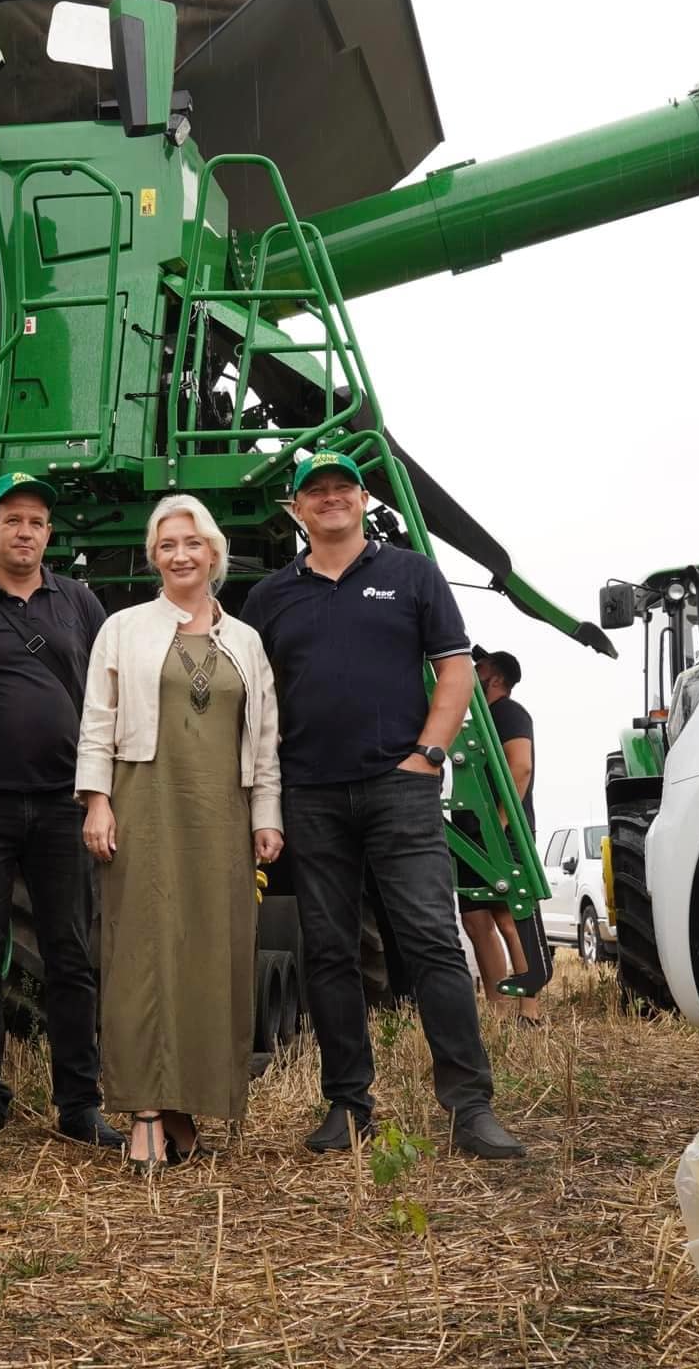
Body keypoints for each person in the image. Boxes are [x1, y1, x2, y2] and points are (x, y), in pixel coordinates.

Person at [239, 450, 527, 1161]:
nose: (330, 498)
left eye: (343, 488)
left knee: (430, 938)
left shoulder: (411, 574)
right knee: (330, 949)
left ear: (364, 500)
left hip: (399, 785)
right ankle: (346, 1105)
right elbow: (255, 695)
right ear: (297, 510)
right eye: (316, 492)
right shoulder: (271, 597)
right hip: (310, 790)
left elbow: (454, 667)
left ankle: (470, 1105)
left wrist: (427, 753)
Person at [75, 495, 283, 1171]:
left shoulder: (246, 641)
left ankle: (184, 1110)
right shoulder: (124, 629)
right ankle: (141, 1112)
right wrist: (97, 803)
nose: (181, 553)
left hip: (222, 814)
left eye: (192, 541)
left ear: (213, 552)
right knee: (142, 956)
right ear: (153, 555)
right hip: (145, 802)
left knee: (208, 958)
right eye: (167, 544)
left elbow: (266, 742)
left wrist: (266, 818)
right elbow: (97, 722)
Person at [0, 470, 122, 1149]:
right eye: (11, 519)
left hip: (62, 806)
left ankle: (80, 1103)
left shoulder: (79, 603)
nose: (25, 531)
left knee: (72, 956)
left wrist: (103, 793)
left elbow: (108, 697)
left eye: (37, 522)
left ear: (49, 535)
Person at [458, 647, 549, 1020]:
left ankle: (529, 1011)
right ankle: (500, 1009)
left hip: (502, 831)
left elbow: (520, 768)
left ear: (495, 678)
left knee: (511, 917)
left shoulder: (510, 713)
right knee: (477, 920)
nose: (473, 671)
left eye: (479, 667)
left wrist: (498, 825)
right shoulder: (479, 719)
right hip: (472, 832)